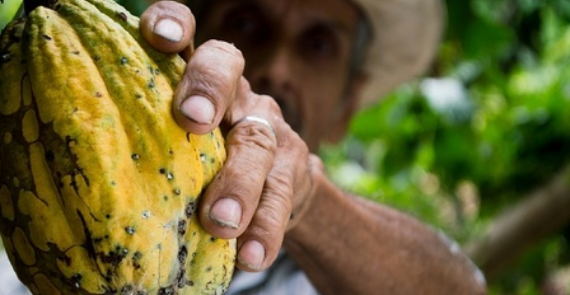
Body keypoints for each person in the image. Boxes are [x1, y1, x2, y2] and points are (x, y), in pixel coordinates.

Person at [0, 0, 488, 294]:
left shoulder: (330, 278)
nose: (277, 67)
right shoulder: (37, 199)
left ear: (348, 103)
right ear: (189, 33)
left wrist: (306, 200)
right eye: (248, 23)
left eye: (318, 44)